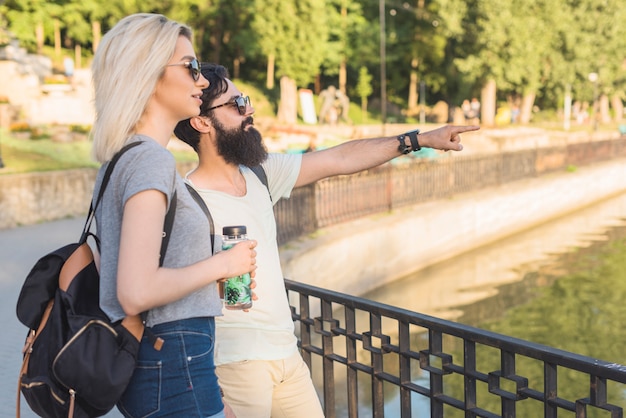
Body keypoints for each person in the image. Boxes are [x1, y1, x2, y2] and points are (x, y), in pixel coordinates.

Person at [173, 63, 479, 418]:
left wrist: (418, 140)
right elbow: (173, 305)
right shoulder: (186, 201)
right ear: (203, 122)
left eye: (247, 99)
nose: (250, 109)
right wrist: (212, 395)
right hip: (234, 365)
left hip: (287, 355)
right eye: (237, 103)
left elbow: (340, 157)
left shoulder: (259, 174)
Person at [90, 14, 257, 418]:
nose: (202, 80)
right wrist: (224, 264)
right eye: (191, 67)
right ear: (148, 73)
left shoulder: (125, 156)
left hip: (172, 363)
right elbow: (135, 290)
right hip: (171, 362)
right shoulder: (150, 160)